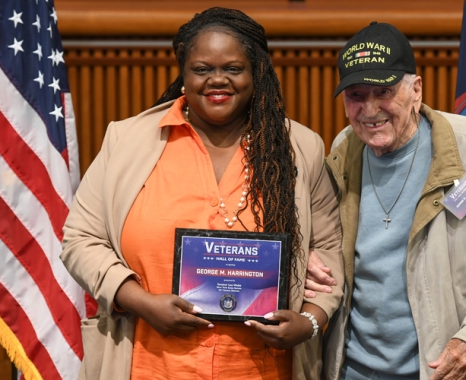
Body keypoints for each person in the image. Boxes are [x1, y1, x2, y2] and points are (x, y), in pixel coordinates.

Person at [60, 7, 343, 380]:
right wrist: (140, 302)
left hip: (262, 369)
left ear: (256, 74)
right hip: (148, 366)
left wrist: (308, 321)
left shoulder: (300, 148)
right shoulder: (127, 141)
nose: (218, 80)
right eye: (202, 69)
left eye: (233, 68)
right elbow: (79, 240)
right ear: (184, 73)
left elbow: (328, 255)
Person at [305, 22, 466, 379]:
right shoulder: (344, 151)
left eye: (384, 92)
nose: (370, 109)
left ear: (416, 90)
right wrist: (311, 253)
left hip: (440, 372)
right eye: (356, 96)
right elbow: (322, 239)